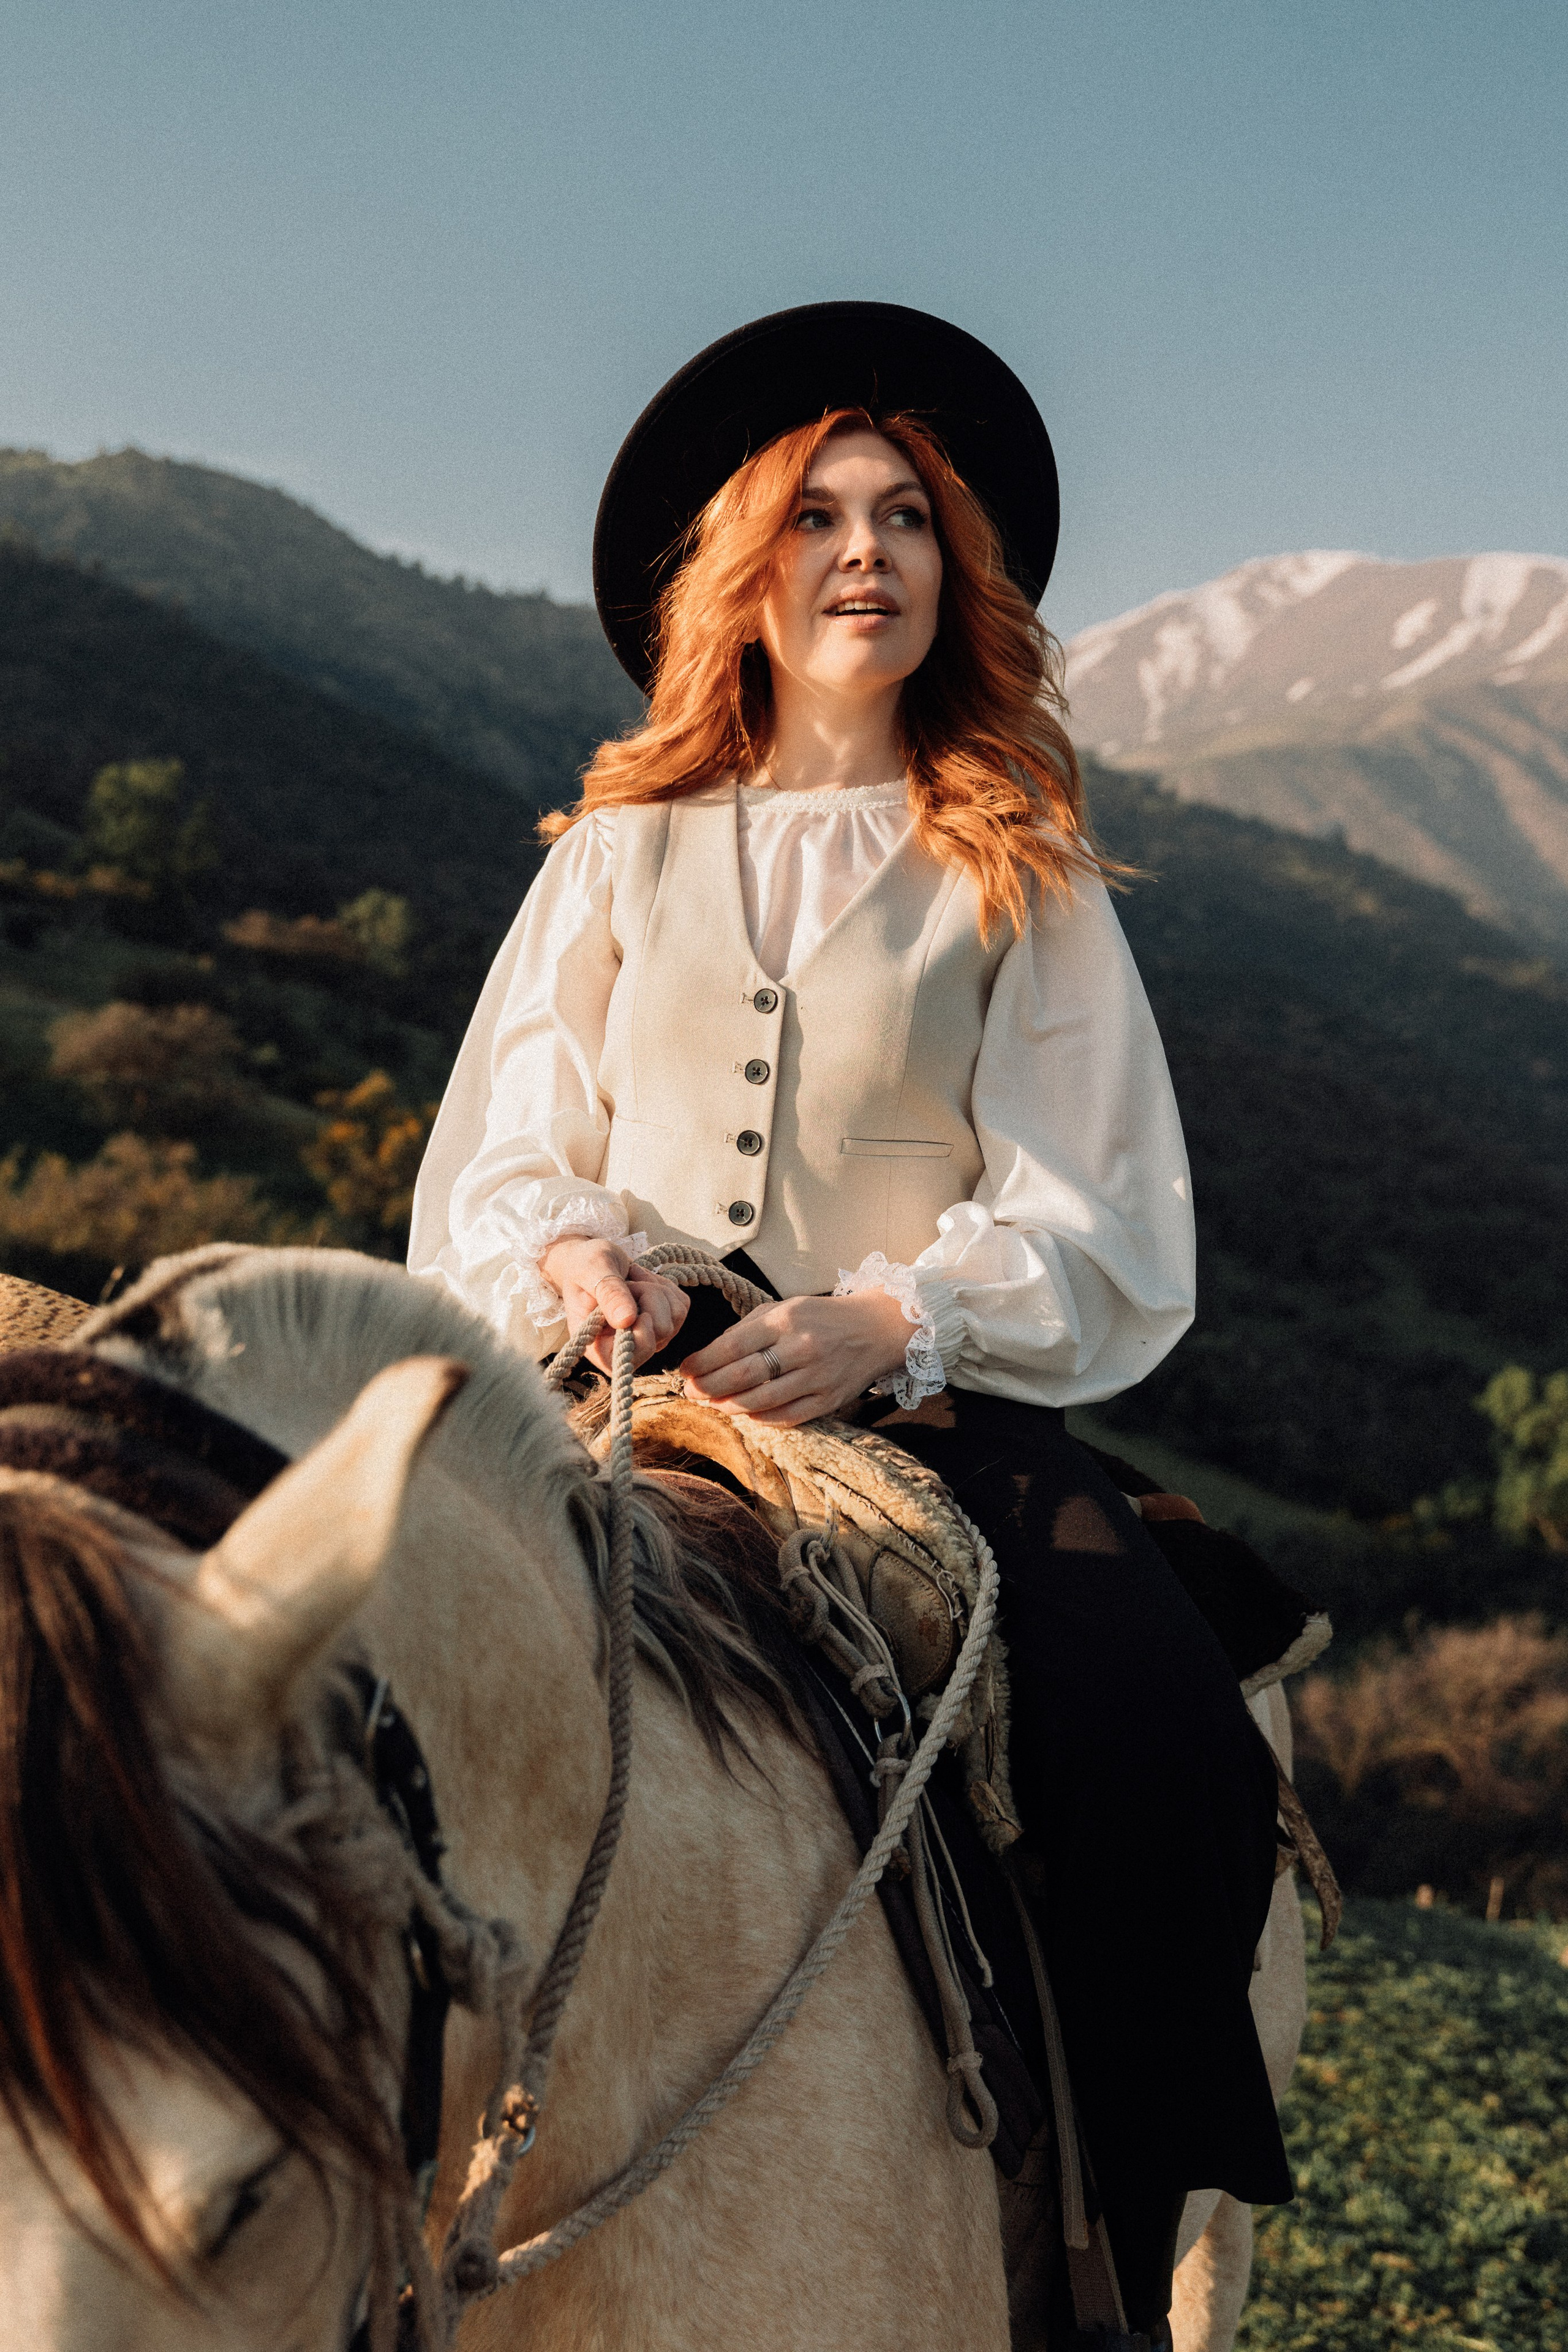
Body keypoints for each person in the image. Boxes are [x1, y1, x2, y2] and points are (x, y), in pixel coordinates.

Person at [410, 301, 1291, 2343]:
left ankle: (1098, 2246)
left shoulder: (1019, 858)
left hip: (923, 1413)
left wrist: (893, 1316)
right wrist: (562, 1256)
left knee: (1163, 1742)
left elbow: (1094, 1207)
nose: (868, 549)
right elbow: (506, 1148)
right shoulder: (622, 846)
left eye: (908, 514)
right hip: (615, 1390)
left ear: (954, 568)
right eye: (818, 513)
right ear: (749, 560)